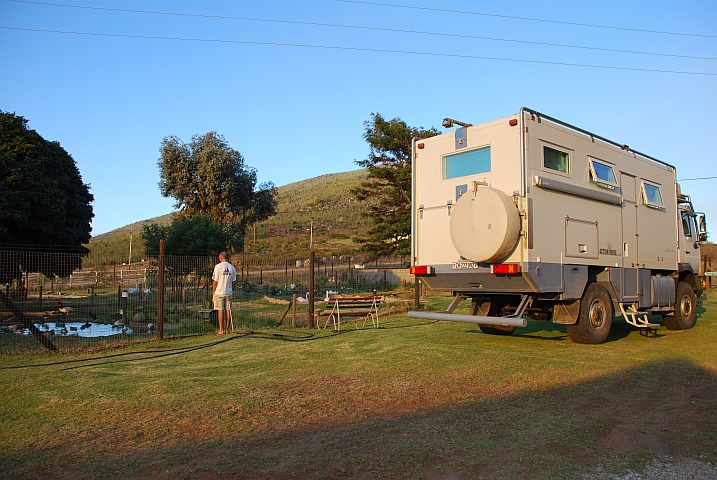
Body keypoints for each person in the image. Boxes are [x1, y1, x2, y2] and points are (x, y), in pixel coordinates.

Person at [212, 251, 237, 334]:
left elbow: (215, 280)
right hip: (229, 292)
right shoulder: (232, 267)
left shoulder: (218, 267)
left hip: (219, 292)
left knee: (220, 310)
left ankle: (221, 329)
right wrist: (232, 290)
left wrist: (214, 291)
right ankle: (227, 329)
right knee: (228, 310)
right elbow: (234, 281)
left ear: (220, 258)